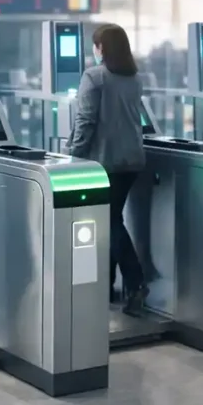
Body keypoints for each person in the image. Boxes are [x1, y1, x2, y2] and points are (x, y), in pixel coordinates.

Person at [68, 24, 147, 314]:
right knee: (113, 218)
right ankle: (108, 285)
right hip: (132, 159)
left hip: (105, 161)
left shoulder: (94, 76)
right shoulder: (134, 78)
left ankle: (136, 282)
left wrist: (73, 156)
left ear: (101, 48)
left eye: (96, 44)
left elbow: (86, 120)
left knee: (108, 221)